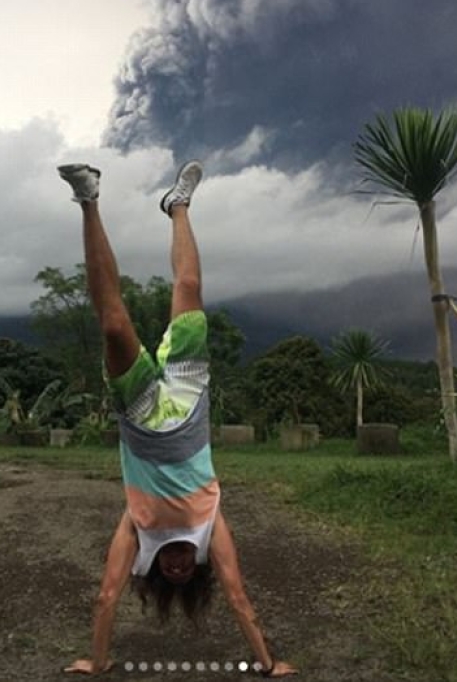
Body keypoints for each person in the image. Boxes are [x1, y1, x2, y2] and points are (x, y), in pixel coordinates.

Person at [58, 160, 297, 678]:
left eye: (171, 571)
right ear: (199, 567)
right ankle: (179, 205)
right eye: (185, 570)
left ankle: (88, 198)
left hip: (142, 420)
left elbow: (106, 596)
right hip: (189, 408)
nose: (177, 565)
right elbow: (238, 597)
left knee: (114, 326)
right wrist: (269, 664)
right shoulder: (210, 528)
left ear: (158, 570)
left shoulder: (139, 530)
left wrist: (97, 665)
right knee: (187, 288)